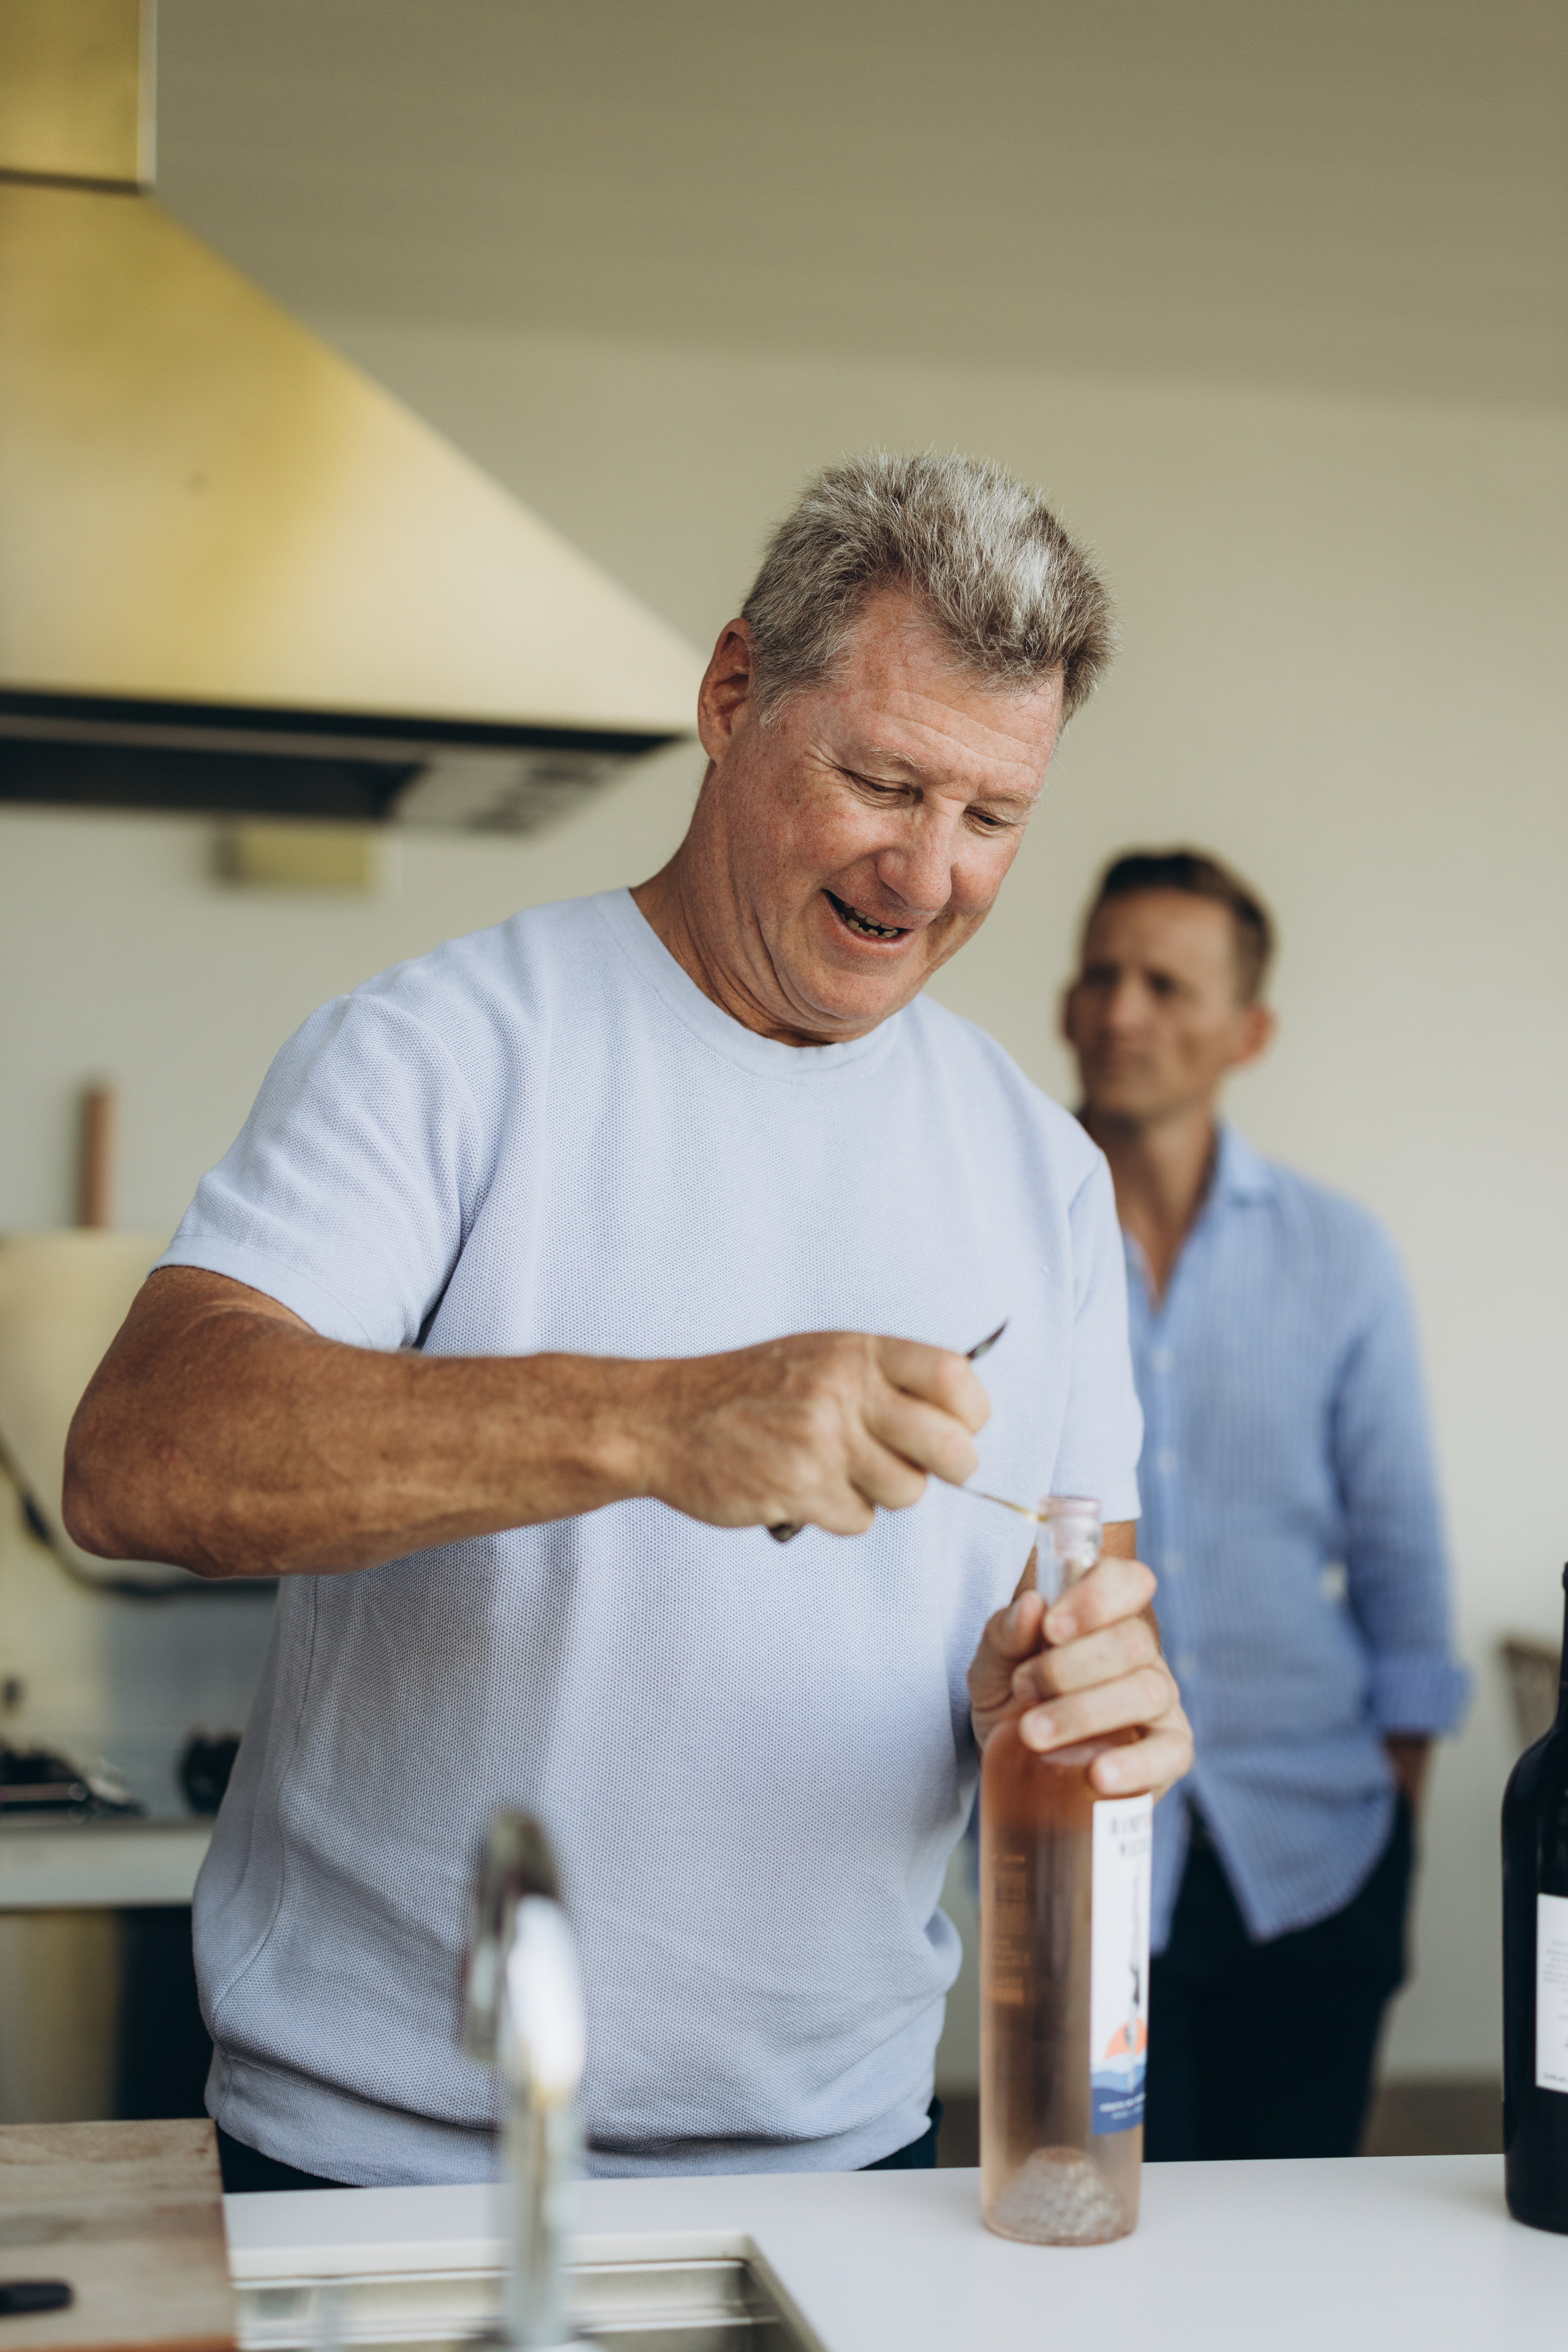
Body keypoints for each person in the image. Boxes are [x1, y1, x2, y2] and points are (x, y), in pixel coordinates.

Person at [66, 453, 1192, 2191]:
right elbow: (143, 1456)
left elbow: (1072, 1621)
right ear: (734, 695)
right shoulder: (445, 1050)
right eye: (884, 782)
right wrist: (659, 1424)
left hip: (852, 2167)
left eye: (992, 816)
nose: (930, 872)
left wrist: (1072, 1700)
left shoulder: (1042, 1175)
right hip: (385, 2180)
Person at [1061, 846, 1469, 2161]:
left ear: (1247, 1031)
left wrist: (1391, 1820)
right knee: (1100, 2245)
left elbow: (1399, 1561)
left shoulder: (1335, 1255)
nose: (1122, 1011)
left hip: (1319, 1851)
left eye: (1166, 985)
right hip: (1091, 1848)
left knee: (1301, 2257)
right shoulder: (991, 1236)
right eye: (1101, 974)